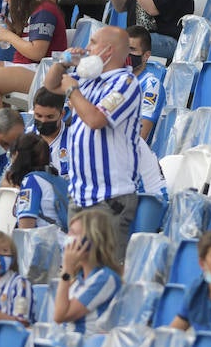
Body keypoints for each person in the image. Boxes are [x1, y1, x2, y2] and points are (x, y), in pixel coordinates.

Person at [44, 27, 141, 255]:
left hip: (110, 197)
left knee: (105, 270)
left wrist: (73, 91)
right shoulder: (88, 79)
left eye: (93, 43)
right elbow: (50, 86)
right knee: (76, 268)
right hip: (79, 194)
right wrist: (63, 63)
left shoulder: (126, 83)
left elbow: (96, 119)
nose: (87, 48)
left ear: (108, 51)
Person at [53, 208, 123, 332]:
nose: (68, 238)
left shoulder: (105, 278)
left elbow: (60, 316)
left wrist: (67, 269)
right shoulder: (78, 277)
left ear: (91, 241)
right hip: (68, 343)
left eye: (73, 233)